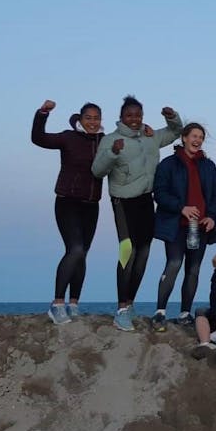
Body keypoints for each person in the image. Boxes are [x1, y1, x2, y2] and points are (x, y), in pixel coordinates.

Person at [92, 95, 183, 331]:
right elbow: (96, 171)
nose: (134, 119)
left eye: (138, 115)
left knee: (142, 255)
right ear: (121, 117)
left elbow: (176, 132)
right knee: (127, 252)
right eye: (129, 115)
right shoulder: (111, 140)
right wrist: (112, 152)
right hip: (122, 202)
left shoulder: (149, 137)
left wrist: (171, 117)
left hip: (145, 201)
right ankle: (121, 309)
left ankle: (130, 304)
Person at [31, 99, 106, 324]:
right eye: (88, 118)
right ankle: (56, 304)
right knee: (75, 249)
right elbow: (39, 139)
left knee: (82, 254)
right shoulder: (68, 137)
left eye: (96, 118)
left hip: (92, 205)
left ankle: (74, 304)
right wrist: (42, 114)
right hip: (67, 202)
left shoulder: (105, 141)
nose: (93, 122)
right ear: (81, 119)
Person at [152, 123, 216, 330]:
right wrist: (181, 207)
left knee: (193, 269)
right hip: (176, 225)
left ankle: (185, 313)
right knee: (174, 263)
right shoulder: (168, 164)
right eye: (194, 136)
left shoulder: (208, 165)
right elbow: (160, 193)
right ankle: (160, 312)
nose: (197, 140)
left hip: (199, 227)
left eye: (201, 137)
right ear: (184, 137)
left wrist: (212, 216)